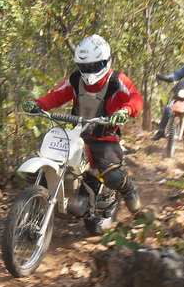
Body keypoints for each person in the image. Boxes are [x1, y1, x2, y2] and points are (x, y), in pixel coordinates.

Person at [21, 34, 143, 214]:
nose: (90, 70)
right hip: (77, 134)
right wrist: (38, 104)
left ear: (106, 61)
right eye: (85, 66)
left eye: (95, 65)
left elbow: (136, 97)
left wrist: (125, 110)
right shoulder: (75, 79)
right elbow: (56, 95)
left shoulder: (117, 80)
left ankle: (129, 189)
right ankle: (35, 204)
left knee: (113, 176)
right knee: (36, 166)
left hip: (104, 138)